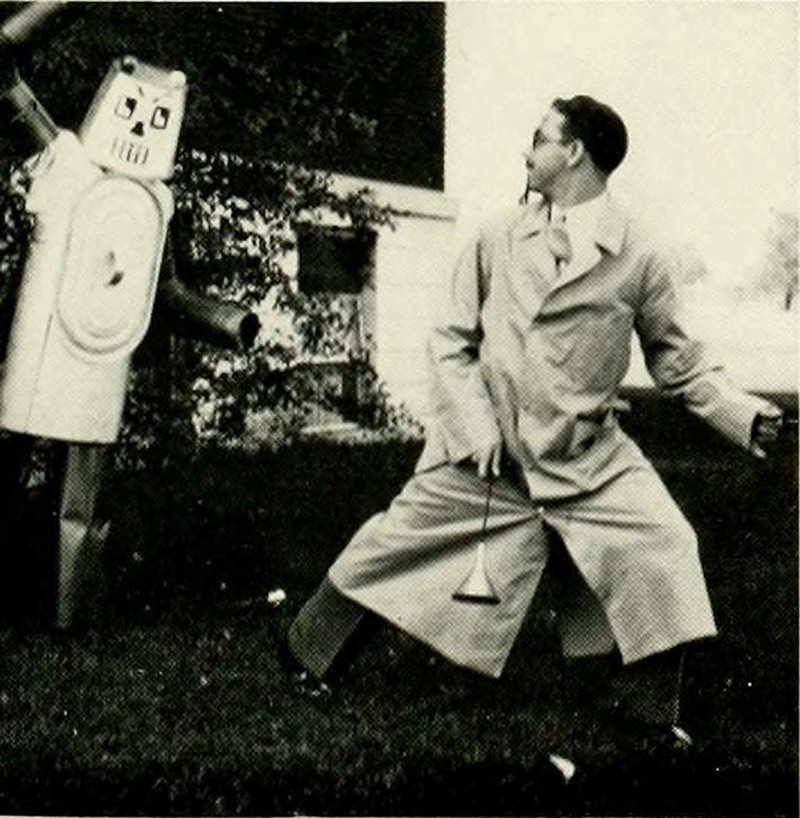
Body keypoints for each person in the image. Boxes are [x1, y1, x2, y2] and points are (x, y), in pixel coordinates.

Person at [287, 95, 783, 750]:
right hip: (489, 452)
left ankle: (646, 718)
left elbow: (677, 359)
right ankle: (307, 655)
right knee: (396, 542)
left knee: (663, 548)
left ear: (574, 152)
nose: (526, 151)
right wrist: (475, 426)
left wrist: (744, 414)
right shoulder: (496, 235)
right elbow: (451, 342)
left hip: (588, 458)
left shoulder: (641, 252)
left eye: (539, 138)